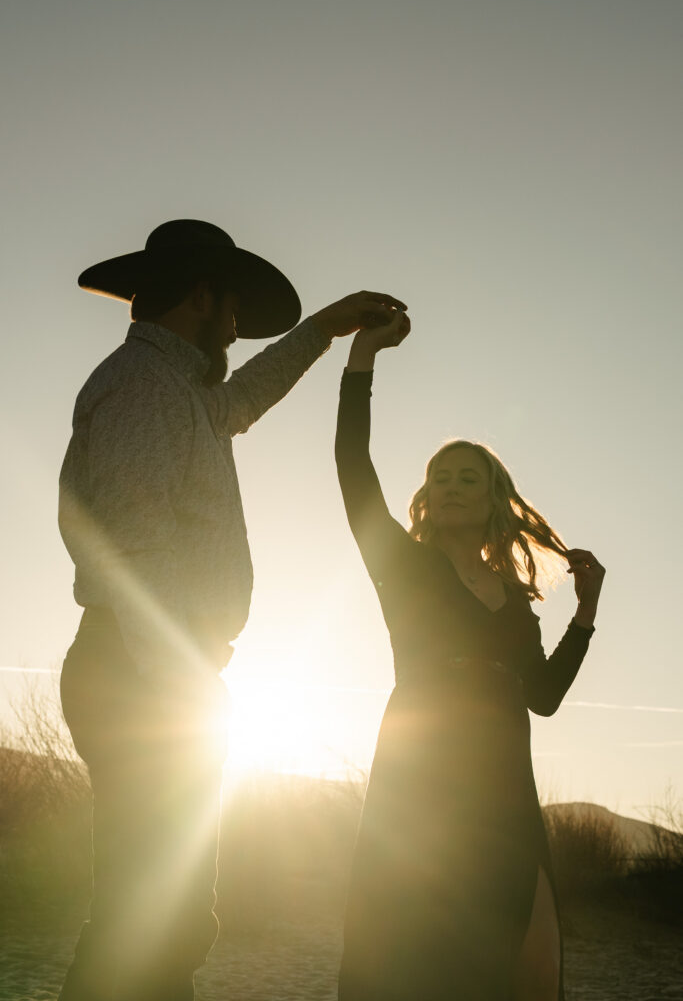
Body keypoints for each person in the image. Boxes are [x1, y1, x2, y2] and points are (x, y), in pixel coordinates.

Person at [58, 217, 406, 1001]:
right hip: (143, 668)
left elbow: (246, 395)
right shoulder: (143, 388)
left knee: (165, 922)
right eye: (235, 310)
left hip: (146, 668)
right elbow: (133, 548)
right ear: (203, 296)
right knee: (148, 921)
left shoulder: (182, 388)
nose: (241, 327)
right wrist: (186, 680)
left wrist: (326, 328)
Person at [334, 310, 605, 1001]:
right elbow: (351, 466)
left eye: (468, 479)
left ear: (493, 501)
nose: (452, 486)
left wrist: (585, 613)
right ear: (425, 498)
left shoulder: (516, 601)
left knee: (533, 964)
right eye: (441, 477)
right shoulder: (402, 564)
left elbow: (541, 696)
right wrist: (361, 359)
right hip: (422, 775)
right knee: (421, 952)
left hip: (506, 784)